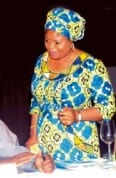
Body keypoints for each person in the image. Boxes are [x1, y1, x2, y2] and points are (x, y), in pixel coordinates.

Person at [25, 7, 116, 162]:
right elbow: (36, 101)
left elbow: (109, 107)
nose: (50, 47)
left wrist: (78, 115)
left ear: (71, 39)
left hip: (79, 150)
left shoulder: (91, 65)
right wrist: (33, 134)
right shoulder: (41, 61)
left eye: (57, 42)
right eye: (47, 40)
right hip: (44, 148)